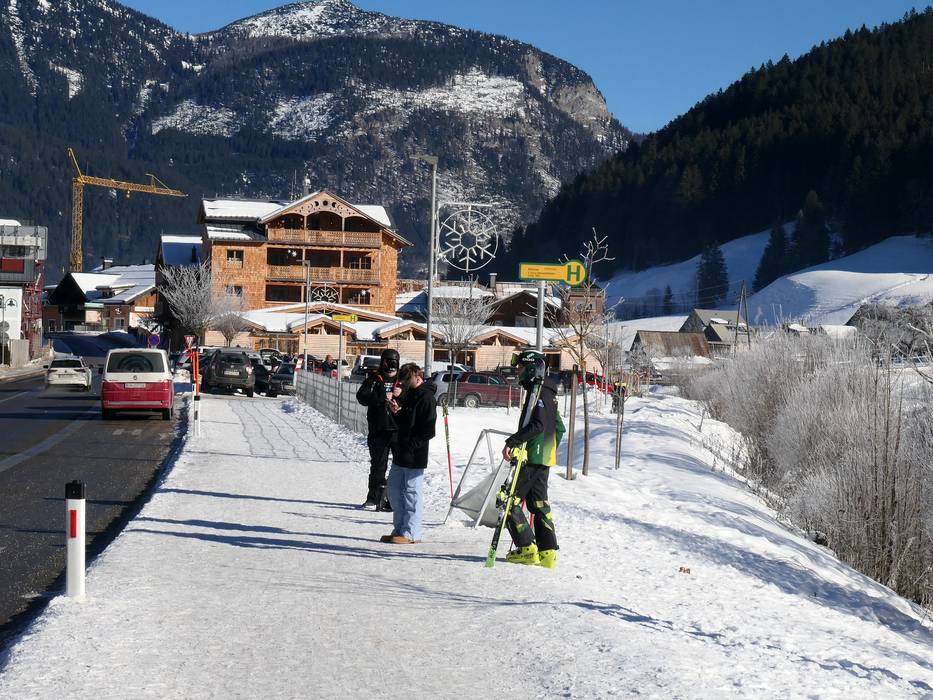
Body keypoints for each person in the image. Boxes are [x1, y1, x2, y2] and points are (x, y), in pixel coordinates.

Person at [501, 350, 565, 569]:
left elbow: (538, 424)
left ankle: (527, 547)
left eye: (521, 367)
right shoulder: (547, 392)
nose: (518, 371)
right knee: (539, 505)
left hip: (533, 457)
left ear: (531, 368)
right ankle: (548, 552)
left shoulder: (539, 392)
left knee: (508, 500)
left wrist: (515, 442)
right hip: (542, 457)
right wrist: (548, 449)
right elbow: (559, 427)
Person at [381, 363, 436, 545]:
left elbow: (429, 430)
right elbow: (405, 421)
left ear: (417, 377)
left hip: (415, 454)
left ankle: (411, 533)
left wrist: (412, 445)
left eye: (406, 380)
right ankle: (399, 530)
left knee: (412, 494)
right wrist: (397, 412)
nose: (403, 384)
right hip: (401, 451)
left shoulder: (426, 397)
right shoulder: (410, 394)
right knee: (394, 491)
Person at [355, 348, 400, 510]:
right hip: (378, 429)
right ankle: (373, 498)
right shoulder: (374, 378)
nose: (391, 366)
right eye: (389, 362)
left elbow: (424, 389)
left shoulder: (403, 379)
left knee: (399, 467)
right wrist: (380, 397)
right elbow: (361, 397)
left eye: (394, 362)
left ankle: (393, 499)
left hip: (398, 430)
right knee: (378, 466)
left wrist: (400, 395)